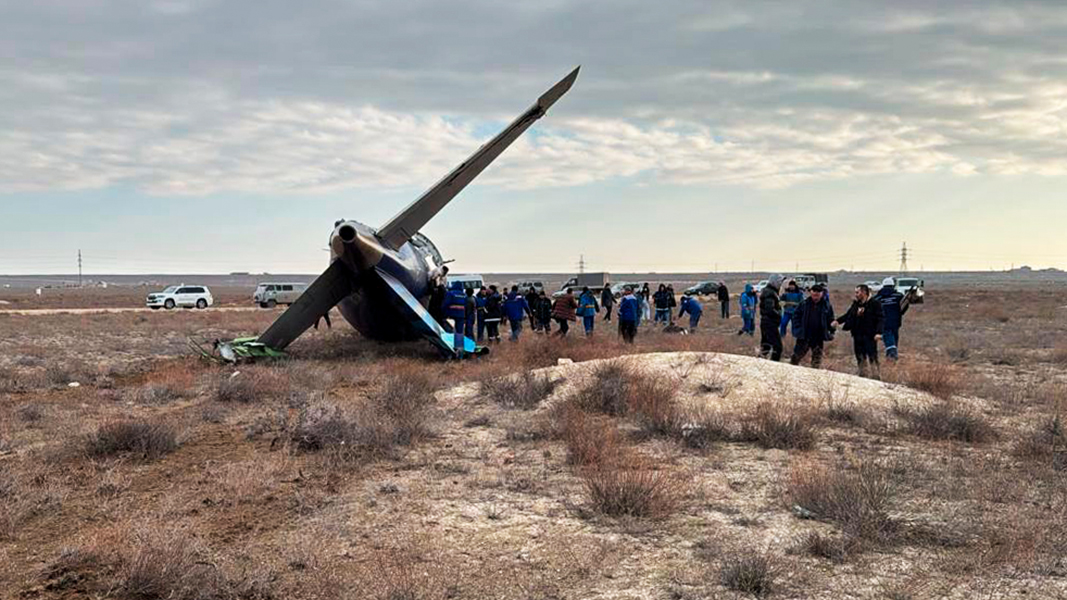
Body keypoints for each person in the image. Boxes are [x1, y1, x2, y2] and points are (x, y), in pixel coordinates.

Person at [835, 284, 885, 379]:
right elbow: (848, 315)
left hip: (870, 335)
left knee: (872, 356)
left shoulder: (875, 304)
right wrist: (837, 321)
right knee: (860, 357)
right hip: (857, 334)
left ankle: (876, 376)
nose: (856, 294)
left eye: (857, 292)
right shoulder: (856, 304)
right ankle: (863, 376)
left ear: (864, 292)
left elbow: (880, 319)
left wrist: (879, 332)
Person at [789, 284, 835, 368]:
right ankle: (790, 372)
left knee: (817, 360)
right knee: (796, 357)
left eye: (818, 294)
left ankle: (814, 376)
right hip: (804, 335)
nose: (815, 297)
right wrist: (798, 329)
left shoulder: (827, 306)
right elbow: (795, 316)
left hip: (818, 336)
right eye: (814, 294)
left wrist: (831, 331)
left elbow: (831, 319)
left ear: (822, 294)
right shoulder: (804, 304)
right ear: (811, 293)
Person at [876, 277, 909, 360]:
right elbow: (904, 306)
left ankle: (891, 355)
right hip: (896, 321)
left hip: (883, 322)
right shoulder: (899, 296)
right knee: (894, 338)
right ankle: (892, 355)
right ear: (893, 286)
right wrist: (900, 313)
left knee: (888, 337)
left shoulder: (877, 298)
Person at [758, 275, 784, 361]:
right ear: (775, 282)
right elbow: (770, 309)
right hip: (769, 322)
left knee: (766, 346)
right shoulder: (770, 293)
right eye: (780, 281)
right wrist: (779, 315)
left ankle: (759, 363)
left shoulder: (770, 291)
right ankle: (774, 366)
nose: (781, 284)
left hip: (767, 322)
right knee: (778, 347)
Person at [442, 281, 468, 355]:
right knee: (459, 332)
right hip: (461, 316)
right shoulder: (464, 295)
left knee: (449, 331)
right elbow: (466, 305)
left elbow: (445, 304)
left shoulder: (450, 293)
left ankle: (449, 347)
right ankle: (459, 349)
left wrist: (443, 313)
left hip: (451, 315)